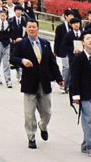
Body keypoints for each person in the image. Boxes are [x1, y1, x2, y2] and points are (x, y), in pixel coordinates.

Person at [11, 19, 63, 148]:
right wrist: (22, 61)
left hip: (44, 82)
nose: (32, 29)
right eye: (29, 27)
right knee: (29, 113)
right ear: (26, 29)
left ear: (38, 29)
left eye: (34, 27)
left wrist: (59, 78)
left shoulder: (45, 43)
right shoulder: (22, 44)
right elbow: (12, 58)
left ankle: (43, 126)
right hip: (29, 83)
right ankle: (31, 136)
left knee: (47, 112)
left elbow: (52, 62)